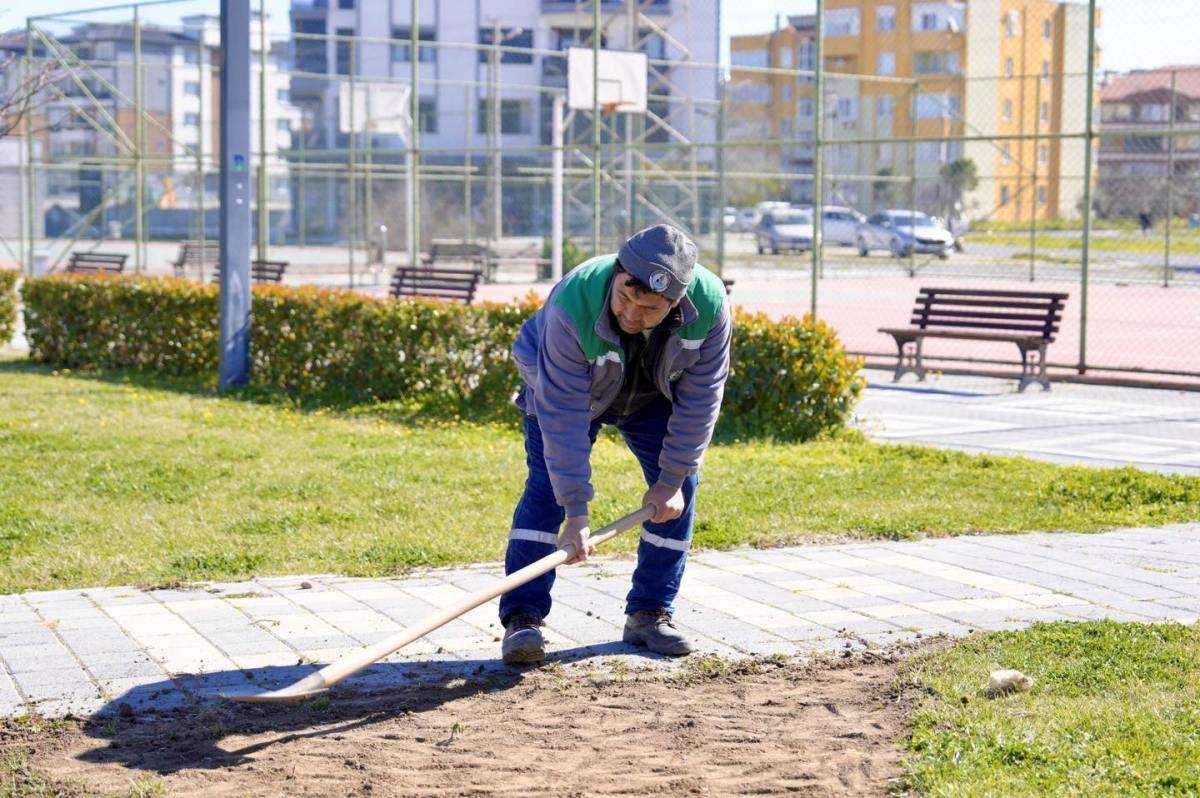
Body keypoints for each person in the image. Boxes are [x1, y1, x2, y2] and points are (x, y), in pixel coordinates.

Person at [499, 223, 732, 664]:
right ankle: (522, 618)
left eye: (648, 309)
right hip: (568, 385)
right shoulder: (575, 300)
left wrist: (670, 480)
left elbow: (701, 400)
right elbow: (562, 415)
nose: (631, 314)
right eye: (625, 297)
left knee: (679, 491)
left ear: (676, 302)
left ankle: (649, 612)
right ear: (617, 273)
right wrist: (577, 512)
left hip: (650, 390)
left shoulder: (711, 305)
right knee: (548, 488)